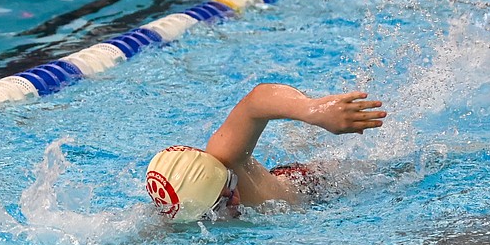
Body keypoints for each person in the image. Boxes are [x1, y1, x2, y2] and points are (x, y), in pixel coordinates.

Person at [145, 83, 386, 223]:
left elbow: (257, 101)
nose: (234, 197)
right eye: (220, 203)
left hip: (316, 186)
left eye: (229, 181)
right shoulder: (177, 213)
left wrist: (314, 111)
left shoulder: (223, 157)